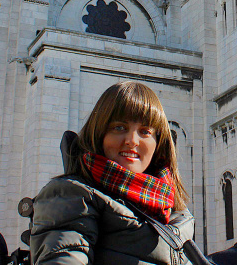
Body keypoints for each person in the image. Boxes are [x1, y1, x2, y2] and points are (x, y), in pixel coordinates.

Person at [30, 81, 193, 265]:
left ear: (159, 143)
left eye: (144, 131)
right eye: (119, 128)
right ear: (99, 133)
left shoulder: (176, 213)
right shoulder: (72, 196)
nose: (132, 140)